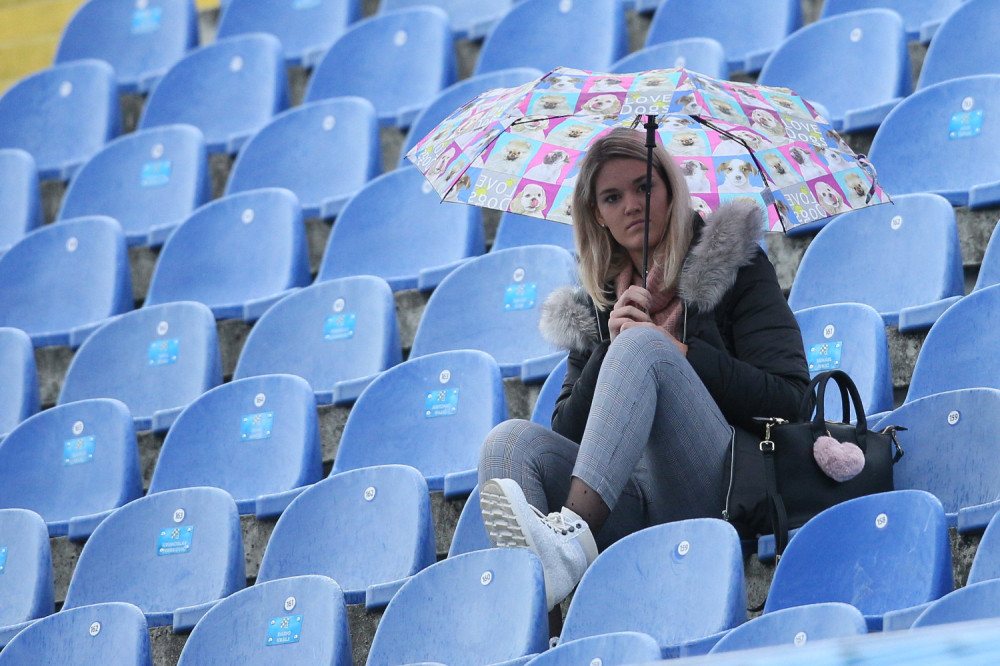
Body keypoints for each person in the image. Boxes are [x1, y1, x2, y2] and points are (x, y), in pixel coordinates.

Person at [477, 126, 810, 612]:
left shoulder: (738, 267)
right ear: (598, 216)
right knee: (507, 442)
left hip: (719, 483)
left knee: (644, 348)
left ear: (671, 191)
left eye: (644, 187)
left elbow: (791, 400)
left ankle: (571, 536)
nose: (631, 204)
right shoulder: (597, 304)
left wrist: (680, 354)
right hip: (628, 502)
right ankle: (534, 627)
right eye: (612, 197)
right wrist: (606, 348)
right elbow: (568, 432)